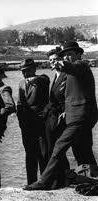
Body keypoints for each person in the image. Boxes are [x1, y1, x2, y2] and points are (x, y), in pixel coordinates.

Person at [25, 41, 98, 190]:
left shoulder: (81, 65)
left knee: (59, 147)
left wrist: (61, 63)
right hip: (78, 116)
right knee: (83, 150)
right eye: (65, 55)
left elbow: (71, 67)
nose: (67, 58)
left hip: (80, 117)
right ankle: (93, 180)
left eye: (70, 54)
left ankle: (44, 181)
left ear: (78, 54)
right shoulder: (70, 73)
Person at [16, 58, 49, 185]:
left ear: (34, 69)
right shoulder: (21, 83)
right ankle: (31, 182)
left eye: (27, 70)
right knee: (30, 154)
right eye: (22, 71)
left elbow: (43, 80)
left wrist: (33, 79)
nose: (24, 73)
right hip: (26, 125)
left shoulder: (42, 79)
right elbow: (19, 104)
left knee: (43, 153)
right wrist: (21, 122)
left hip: (41, 124)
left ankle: (45, 181)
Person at [41, 47, 70, 188]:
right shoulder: (56, 75)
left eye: (55, 59)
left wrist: (65, 111)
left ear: (62, 60)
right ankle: (58, 180)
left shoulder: (66, 75)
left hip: (60, 117)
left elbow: (68, 96)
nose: (52, 62)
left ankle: (63, 179)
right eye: (50, 60)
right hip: (51, 117)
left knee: (58, 150)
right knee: (52, 149)